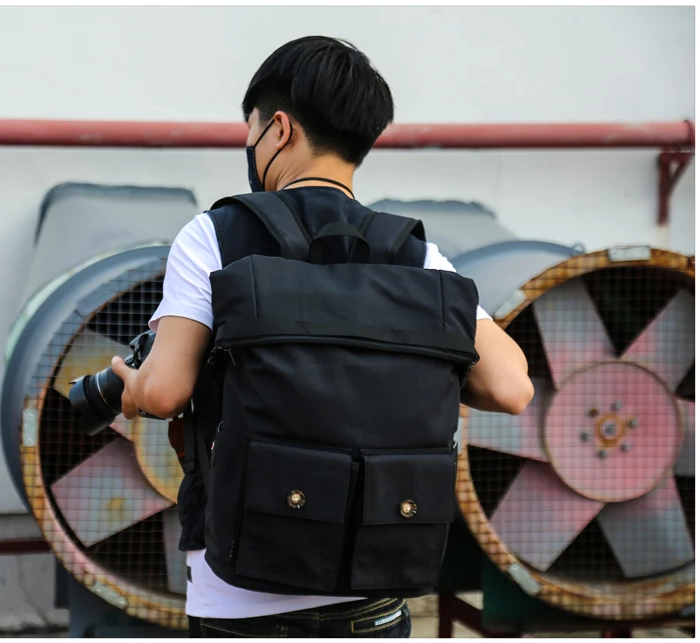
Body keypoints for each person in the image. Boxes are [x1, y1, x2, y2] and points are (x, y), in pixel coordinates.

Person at [112, 35, 534, 638]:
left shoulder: (214, 236)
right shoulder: (415, 254)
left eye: (251, 130)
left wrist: (131, 388)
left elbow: (163, 393)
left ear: (279, 129)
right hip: (375, 597)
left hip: (242, 600)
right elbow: (512, 387)